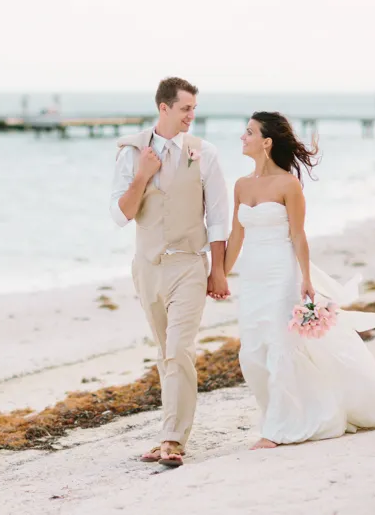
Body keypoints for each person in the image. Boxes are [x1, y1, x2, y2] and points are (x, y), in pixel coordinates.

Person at [225, 111, 375, 450]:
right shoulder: (241, 185)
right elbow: (236, 236)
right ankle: (287, 415)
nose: (242, 138)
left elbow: (298, 235)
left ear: (266, 142)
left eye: (249, 132)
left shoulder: (289, 185)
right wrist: (217, 275)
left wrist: (305, 278)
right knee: (252, 353)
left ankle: (276, 430)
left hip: (282, 274)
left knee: (280, 347)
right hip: (252, 277)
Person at [110, 77, 229, 468]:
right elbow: (121, 215)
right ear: (164, 108)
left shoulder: (204, 153)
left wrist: (219, 271)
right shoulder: (131, 152)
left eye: (193, 108)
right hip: (147, 267)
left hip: (189, 264)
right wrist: (142, 175)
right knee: (166, 353)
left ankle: (173, 439)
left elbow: (218, 217)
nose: (191, 116)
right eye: (185, 109)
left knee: (179, 350)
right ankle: (169, 433)